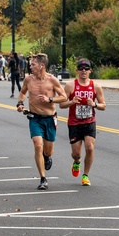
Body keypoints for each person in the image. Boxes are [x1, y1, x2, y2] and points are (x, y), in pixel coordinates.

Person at [16, 53, 67, 190]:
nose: (30, 67)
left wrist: (50, 99)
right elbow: (22, 92)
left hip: (50, 118)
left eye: (33, 64)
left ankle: (47, 156)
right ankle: (43, 178)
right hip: (35, 118)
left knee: (48, 150)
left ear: (41, 65)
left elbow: (63, 97)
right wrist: (20, 103)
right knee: (38, 145)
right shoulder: (28, 79)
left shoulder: (52, 80)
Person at [59, 58, 105, 186]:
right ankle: (77, 162)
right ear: (77, 71)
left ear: (90, 70)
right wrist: (72, 102)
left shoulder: (95, 86)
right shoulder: (70, 85)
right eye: (81, 68)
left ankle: (85, 175)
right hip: (74, 122)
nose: (83, 71)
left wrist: (94, 105)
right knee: (76, 153)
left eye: (86, 68)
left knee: (90, 148)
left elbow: (103, 105)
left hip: (89, 121)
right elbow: (62, 105)